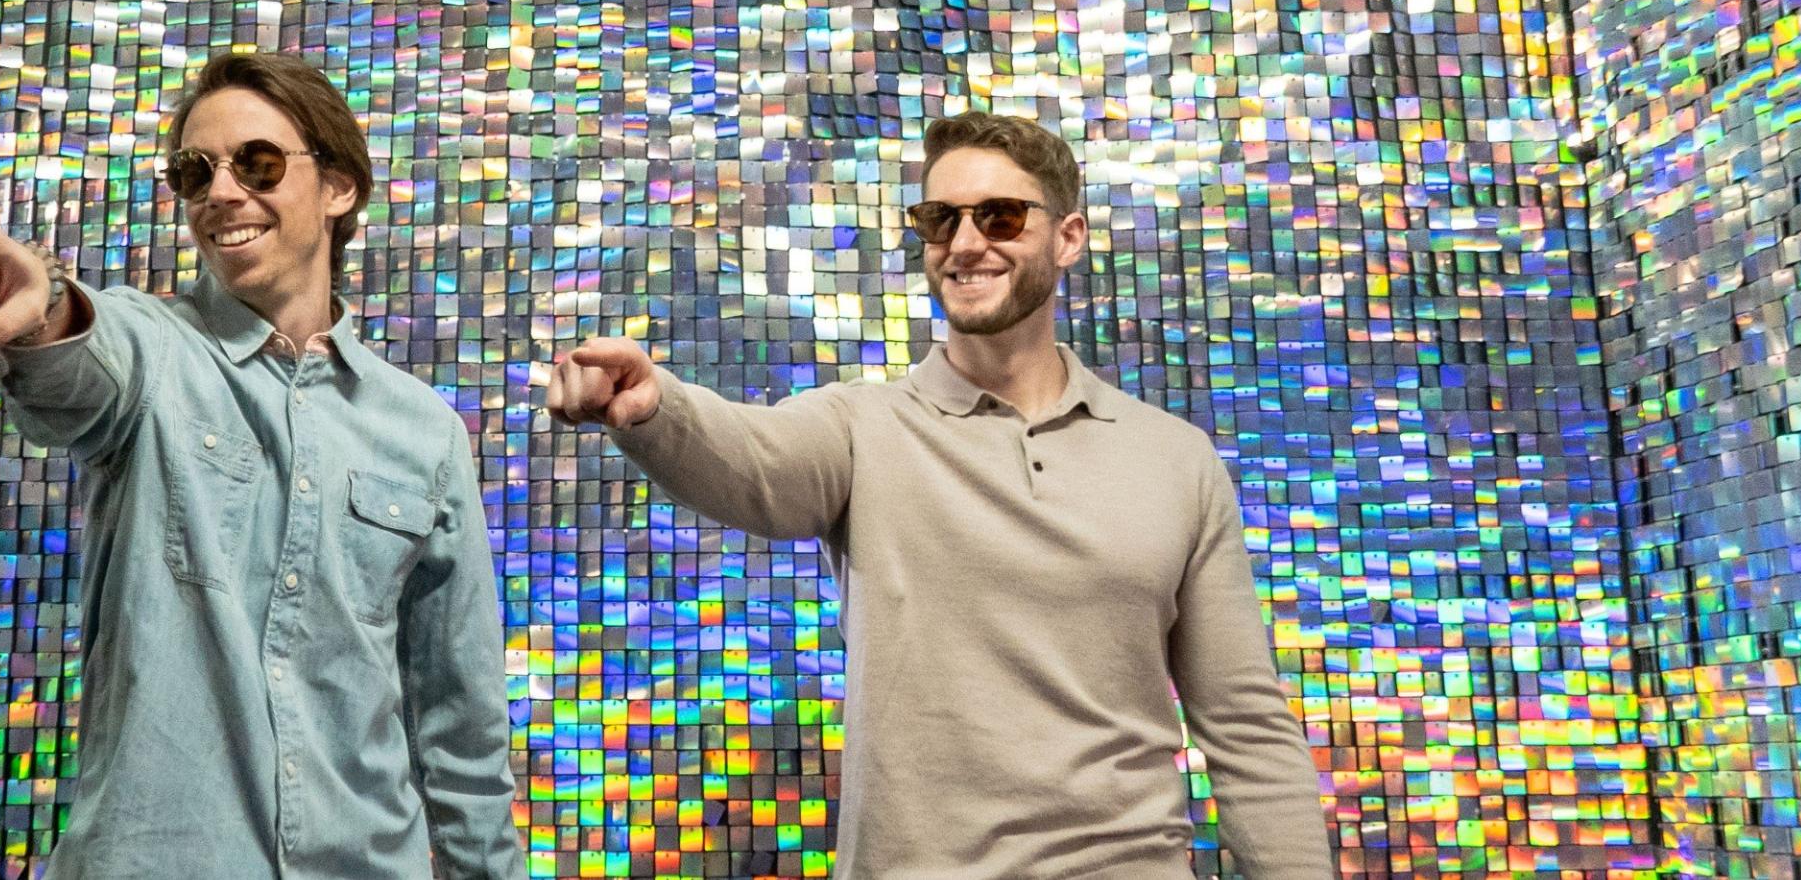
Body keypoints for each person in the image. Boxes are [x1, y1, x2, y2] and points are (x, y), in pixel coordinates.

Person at [547, 112, 1331, 879]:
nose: (964, 243)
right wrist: (653, 406)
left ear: (1068, 237)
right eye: (939, 219)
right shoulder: (862, 428)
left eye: (1000, 216)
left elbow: (1246, 727)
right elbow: (750, 459)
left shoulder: (1174, 459)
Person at [0, 52, 522, 879]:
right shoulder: (151, 348)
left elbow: (462, 726)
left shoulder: (423, 432)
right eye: (194, 171)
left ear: (338, 188)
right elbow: (77, 358)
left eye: (258, 163)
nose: (221, 192)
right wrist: (30, 304)